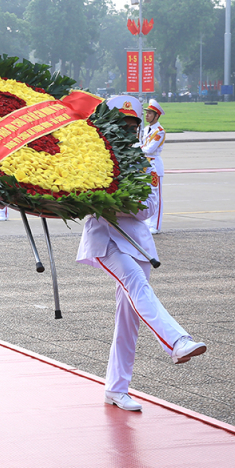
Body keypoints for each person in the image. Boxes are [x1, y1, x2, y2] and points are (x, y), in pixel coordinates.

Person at [77, 95, 205, 412]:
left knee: (129, 318)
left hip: (136, 243)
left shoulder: (141, 163)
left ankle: (116, 388)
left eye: (132, 125)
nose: (127, 130)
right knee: (136, 283)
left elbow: (149, 208)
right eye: (122, 125)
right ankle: (177, 341)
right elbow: (81, 200)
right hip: (105, 240)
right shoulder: (93, 159)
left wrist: (119, 203)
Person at [140, 100, 166, 234]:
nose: (147, 115)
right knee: (146, 195)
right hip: (145, 165)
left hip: (154, 165)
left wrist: (138, 148)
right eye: (147, 113)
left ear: (156, 116)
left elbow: (149, 149)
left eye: (150, 113)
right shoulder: (145, 129)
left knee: (156, 196)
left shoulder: (159, 131)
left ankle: (155, 226)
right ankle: (146, 222)